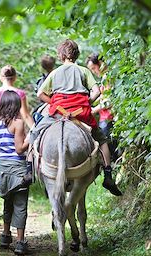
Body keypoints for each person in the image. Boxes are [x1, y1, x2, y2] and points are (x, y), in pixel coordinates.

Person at [35, 39, 122, 196]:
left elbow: (40, 94)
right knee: (102, 141)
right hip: (80, 113)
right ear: (76, 55)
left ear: (61, 55)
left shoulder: (55, 73)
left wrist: (54, 103)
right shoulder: (83, 70)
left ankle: (30, 169)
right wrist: (86, 104)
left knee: (36, 133)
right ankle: (108, 174)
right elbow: (96, 91)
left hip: (58, 113)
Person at [0, 90, 31, 255]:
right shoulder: (19, 123)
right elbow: (19, 149)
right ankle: (20, 242)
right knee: (20, 205)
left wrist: (2, 164)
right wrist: (30, 139)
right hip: (18, 169)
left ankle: (5, 236)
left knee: (7, 203)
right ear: (17, 105)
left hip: (3, 169)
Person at [0, 65, 34, 173]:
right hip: (16, 132)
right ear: (15, 78)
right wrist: (35, 129)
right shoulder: (19, 93)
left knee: (0, 165)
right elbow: (25, 115)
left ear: (0, 77)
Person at [86, 53, 118, 161]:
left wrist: (94, 110)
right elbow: (105, 97)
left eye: (94, 68)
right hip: (105, 117)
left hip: (109, 117)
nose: (94, 72)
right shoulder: (105, 78)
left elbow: (109, 101)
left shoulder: (108, 77)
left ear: (100, 63)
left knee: (106, 145)